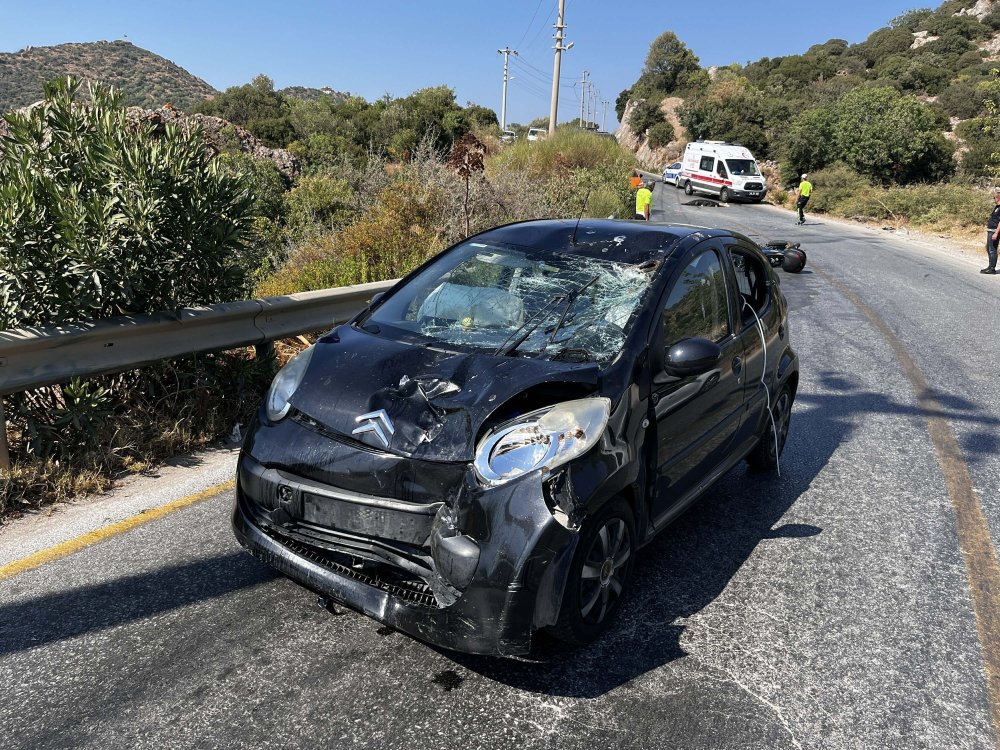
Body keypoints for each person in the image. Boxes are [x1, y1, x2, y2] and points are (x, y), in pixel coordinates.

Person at [982, 188, 1000, 274]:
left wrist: (996, 233)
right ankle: (990, 266)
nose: (993, 199)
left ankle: (992, 268)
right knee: (988, 248)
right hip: (991, 230)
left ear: (998, 198)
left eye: (994, 198)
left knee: (992, 249)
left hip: (994, 231)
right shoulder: (997, 207)